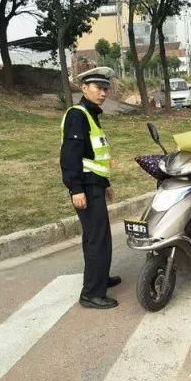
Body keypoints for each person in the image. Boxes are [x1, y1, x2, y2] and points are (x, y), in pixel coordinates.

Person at [60, 67, 121, 309]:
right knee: (97, 239)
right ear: (84, 88)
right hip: (85, 186)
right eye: (98, 88)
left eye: (105, 88)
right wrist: (75, 189)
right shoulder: (78, 115)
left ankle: (100, 278)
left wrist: (105, 184)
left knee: (98, 237)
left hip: (94, 185)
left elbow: (95, 156)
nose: (103, 93)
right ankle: (92, 293)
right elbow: (70, 156)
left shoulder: (90, 114)